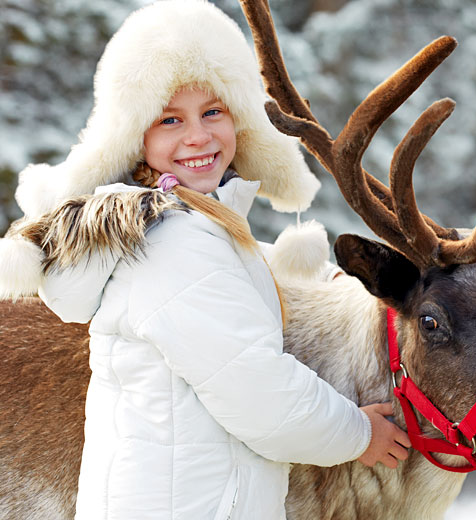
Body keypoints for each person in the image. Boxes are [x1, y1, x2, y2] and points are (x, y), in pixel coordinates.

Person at [3, 1, 410, 518]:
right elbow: (259, 393)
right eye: (170, 119)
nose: (197, 136)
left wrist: (329, 281)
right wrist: (360, 435)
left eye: (212, 112)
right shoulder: (174, 246)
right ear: (135, 138)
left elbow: (223, 279)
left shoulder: (181, 233)